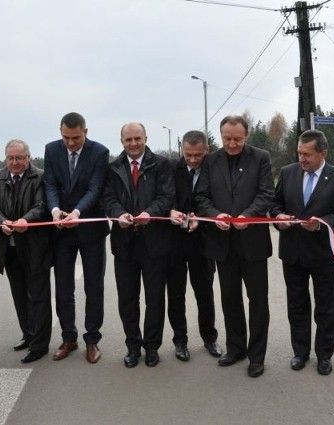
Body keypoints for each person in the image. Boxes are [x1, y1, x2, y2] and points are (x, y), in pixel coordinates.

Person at [195, 115, 274, 378]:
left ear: (247, 135)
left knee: (258, 301)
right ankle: (235, 348)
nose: (231, 144)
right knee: (230, 299)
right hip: (222, 242)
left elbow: (266, 194)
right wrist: (215, 214)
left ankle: (256, 355)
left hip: (252, 242)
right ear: (220, 135)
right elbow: (201, 197)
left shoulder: (260, 158)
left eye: (237, 139)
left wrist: (247, 216)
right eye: (227, 138)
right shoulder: (210, 160)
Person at [270, 129, 334, 375]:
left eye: (307, 154)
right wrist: (278, 217)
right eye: (299, 153)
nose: (302, 159)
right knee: (297, 304)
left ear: (323, 153)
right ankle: (300, 352)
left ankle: (324, 355)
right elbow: (275, 204)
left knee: (325, 307)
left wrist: (321, 224)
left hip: (322, 254)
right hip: (292, 252)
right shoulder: (287, 173)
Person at [103, 122, 175, 368]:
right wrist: (119, 213)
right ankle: (133, 346)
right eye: (128, 140)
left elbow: (167, 196)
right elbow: (108, 198)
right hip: (124, 244)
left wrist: (149, 213)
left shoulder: (162, 164)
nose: (133, 144)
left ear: (146, 138)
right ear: (121, 141)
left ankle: (152, 346)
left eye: (137, 138)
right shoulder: (113, 168)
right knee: (127, 299)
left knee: (154, 298)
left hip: (154, 242)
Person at [44, 112, 109, 364]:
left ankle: (92, 339)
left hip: (90, 229)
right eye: (65, 138)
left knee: (93, 286)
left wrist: (77, 212)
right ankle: (68, 337)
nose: (70, 143)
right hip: (61, 230)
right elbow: (50, 184)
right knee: (63, 287)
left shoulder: (99, 152)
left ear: (86, 132)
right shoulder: (52, 150)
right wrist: (55, 210)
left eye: (75, 138)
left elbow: (95, 188)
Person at [0, 139, 52, 364]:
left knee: (39, 297)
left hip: (35, 248)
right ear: (6, 158)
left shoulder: (40, 176)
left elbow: (41, 206)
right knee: (20, 296)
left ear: (28, 158)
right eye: (11, 158)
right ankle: (28, 334)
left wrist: (25, 220)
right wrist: (1, 221)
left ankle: (40, 345)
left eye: (20, 158)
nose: (15, 162)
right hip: (8, 248)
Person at [167, 130, 222, 361]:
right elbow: (163, 195)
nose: (192, 160)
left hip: (203, 241)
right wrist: (171, 210)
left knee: (204, 293)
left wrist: (201, 216)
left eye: (197, 155)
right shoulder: (170, 168)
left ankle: (209, 338)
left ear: (206, 151)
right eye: (188, 155)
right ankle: (180, 340)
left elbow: (216, 199)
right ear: (182, 150)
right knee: (176, 294)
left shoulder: (214, 169)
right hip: (175, 242)